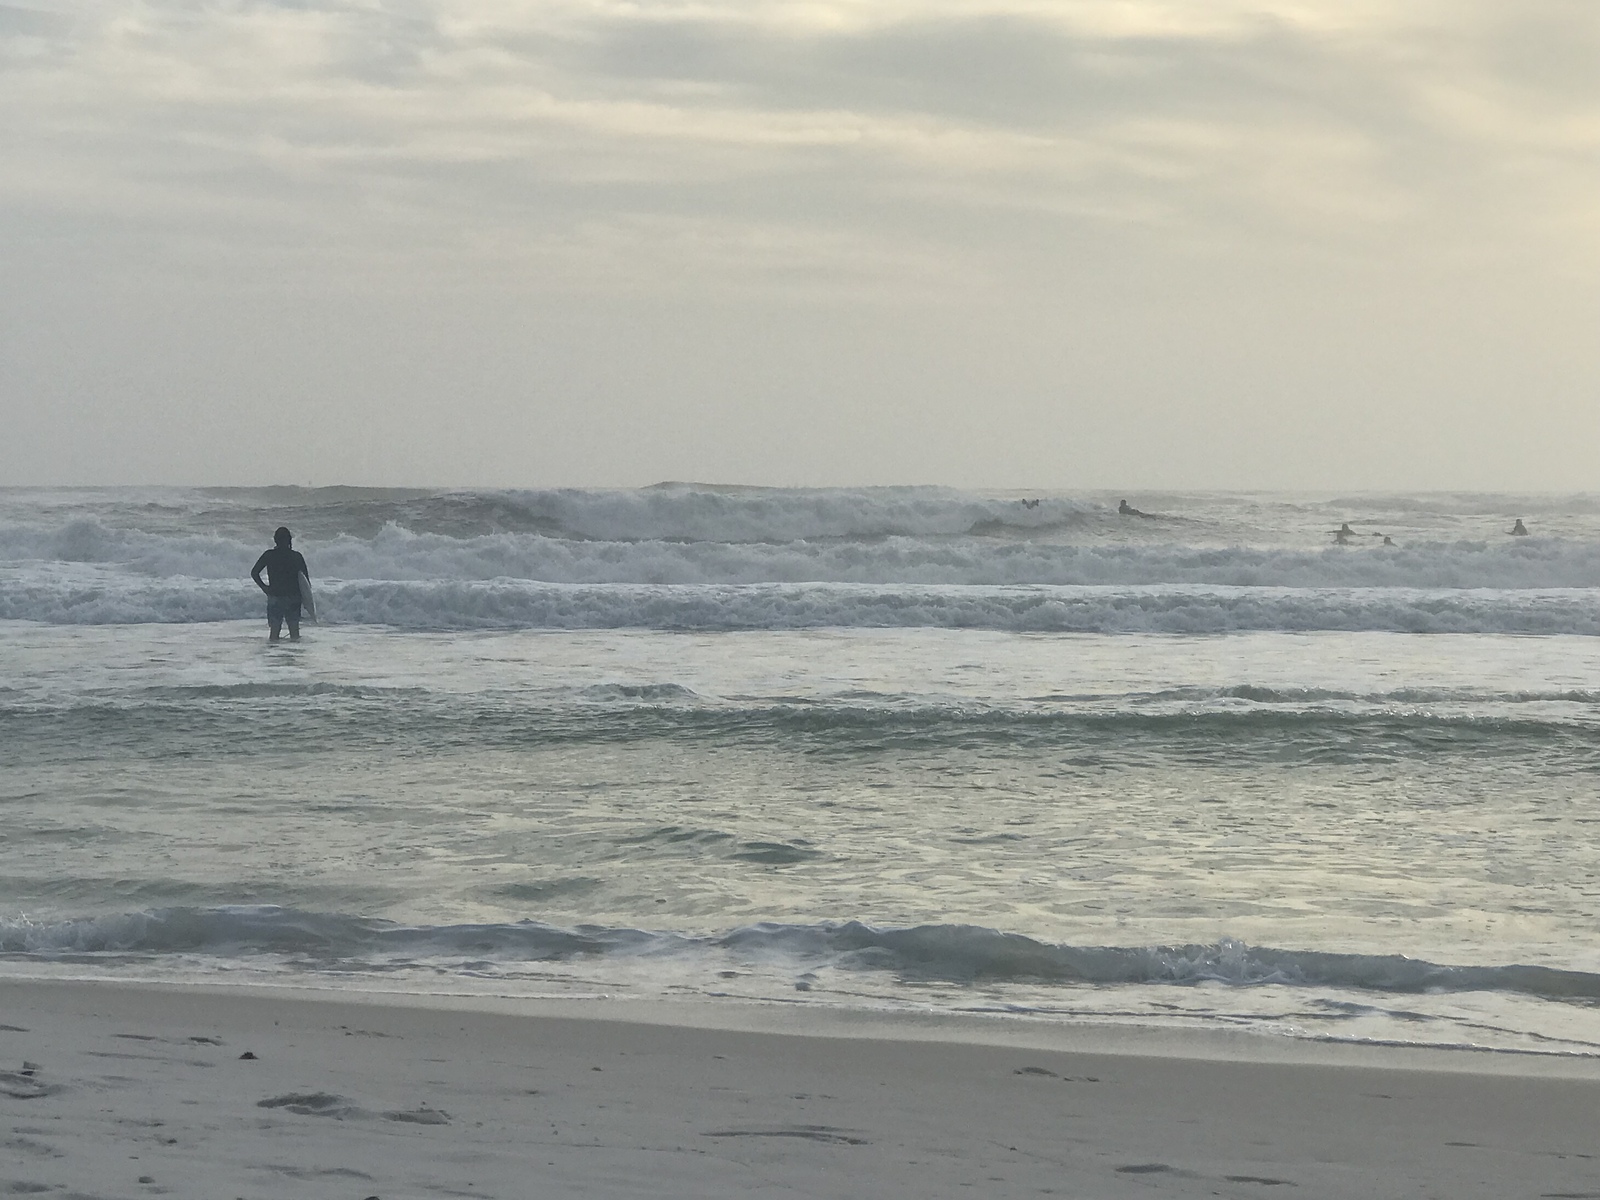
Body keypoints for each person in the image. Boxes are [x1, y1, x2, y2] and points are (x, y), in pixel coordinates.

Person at [251, 526, 310, 642]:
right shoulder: (296, 557)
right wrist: (306, 601)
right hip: (293, 597)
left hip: (275, 596)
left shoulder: (269, 555)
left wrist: (264, 588)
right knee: (294, 633)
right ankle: (293, 656)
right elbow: (306, 582)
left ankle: (274, 656)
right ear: (289, 540)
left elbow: (254, 573)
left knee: (274, 634)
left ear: (275, 540)